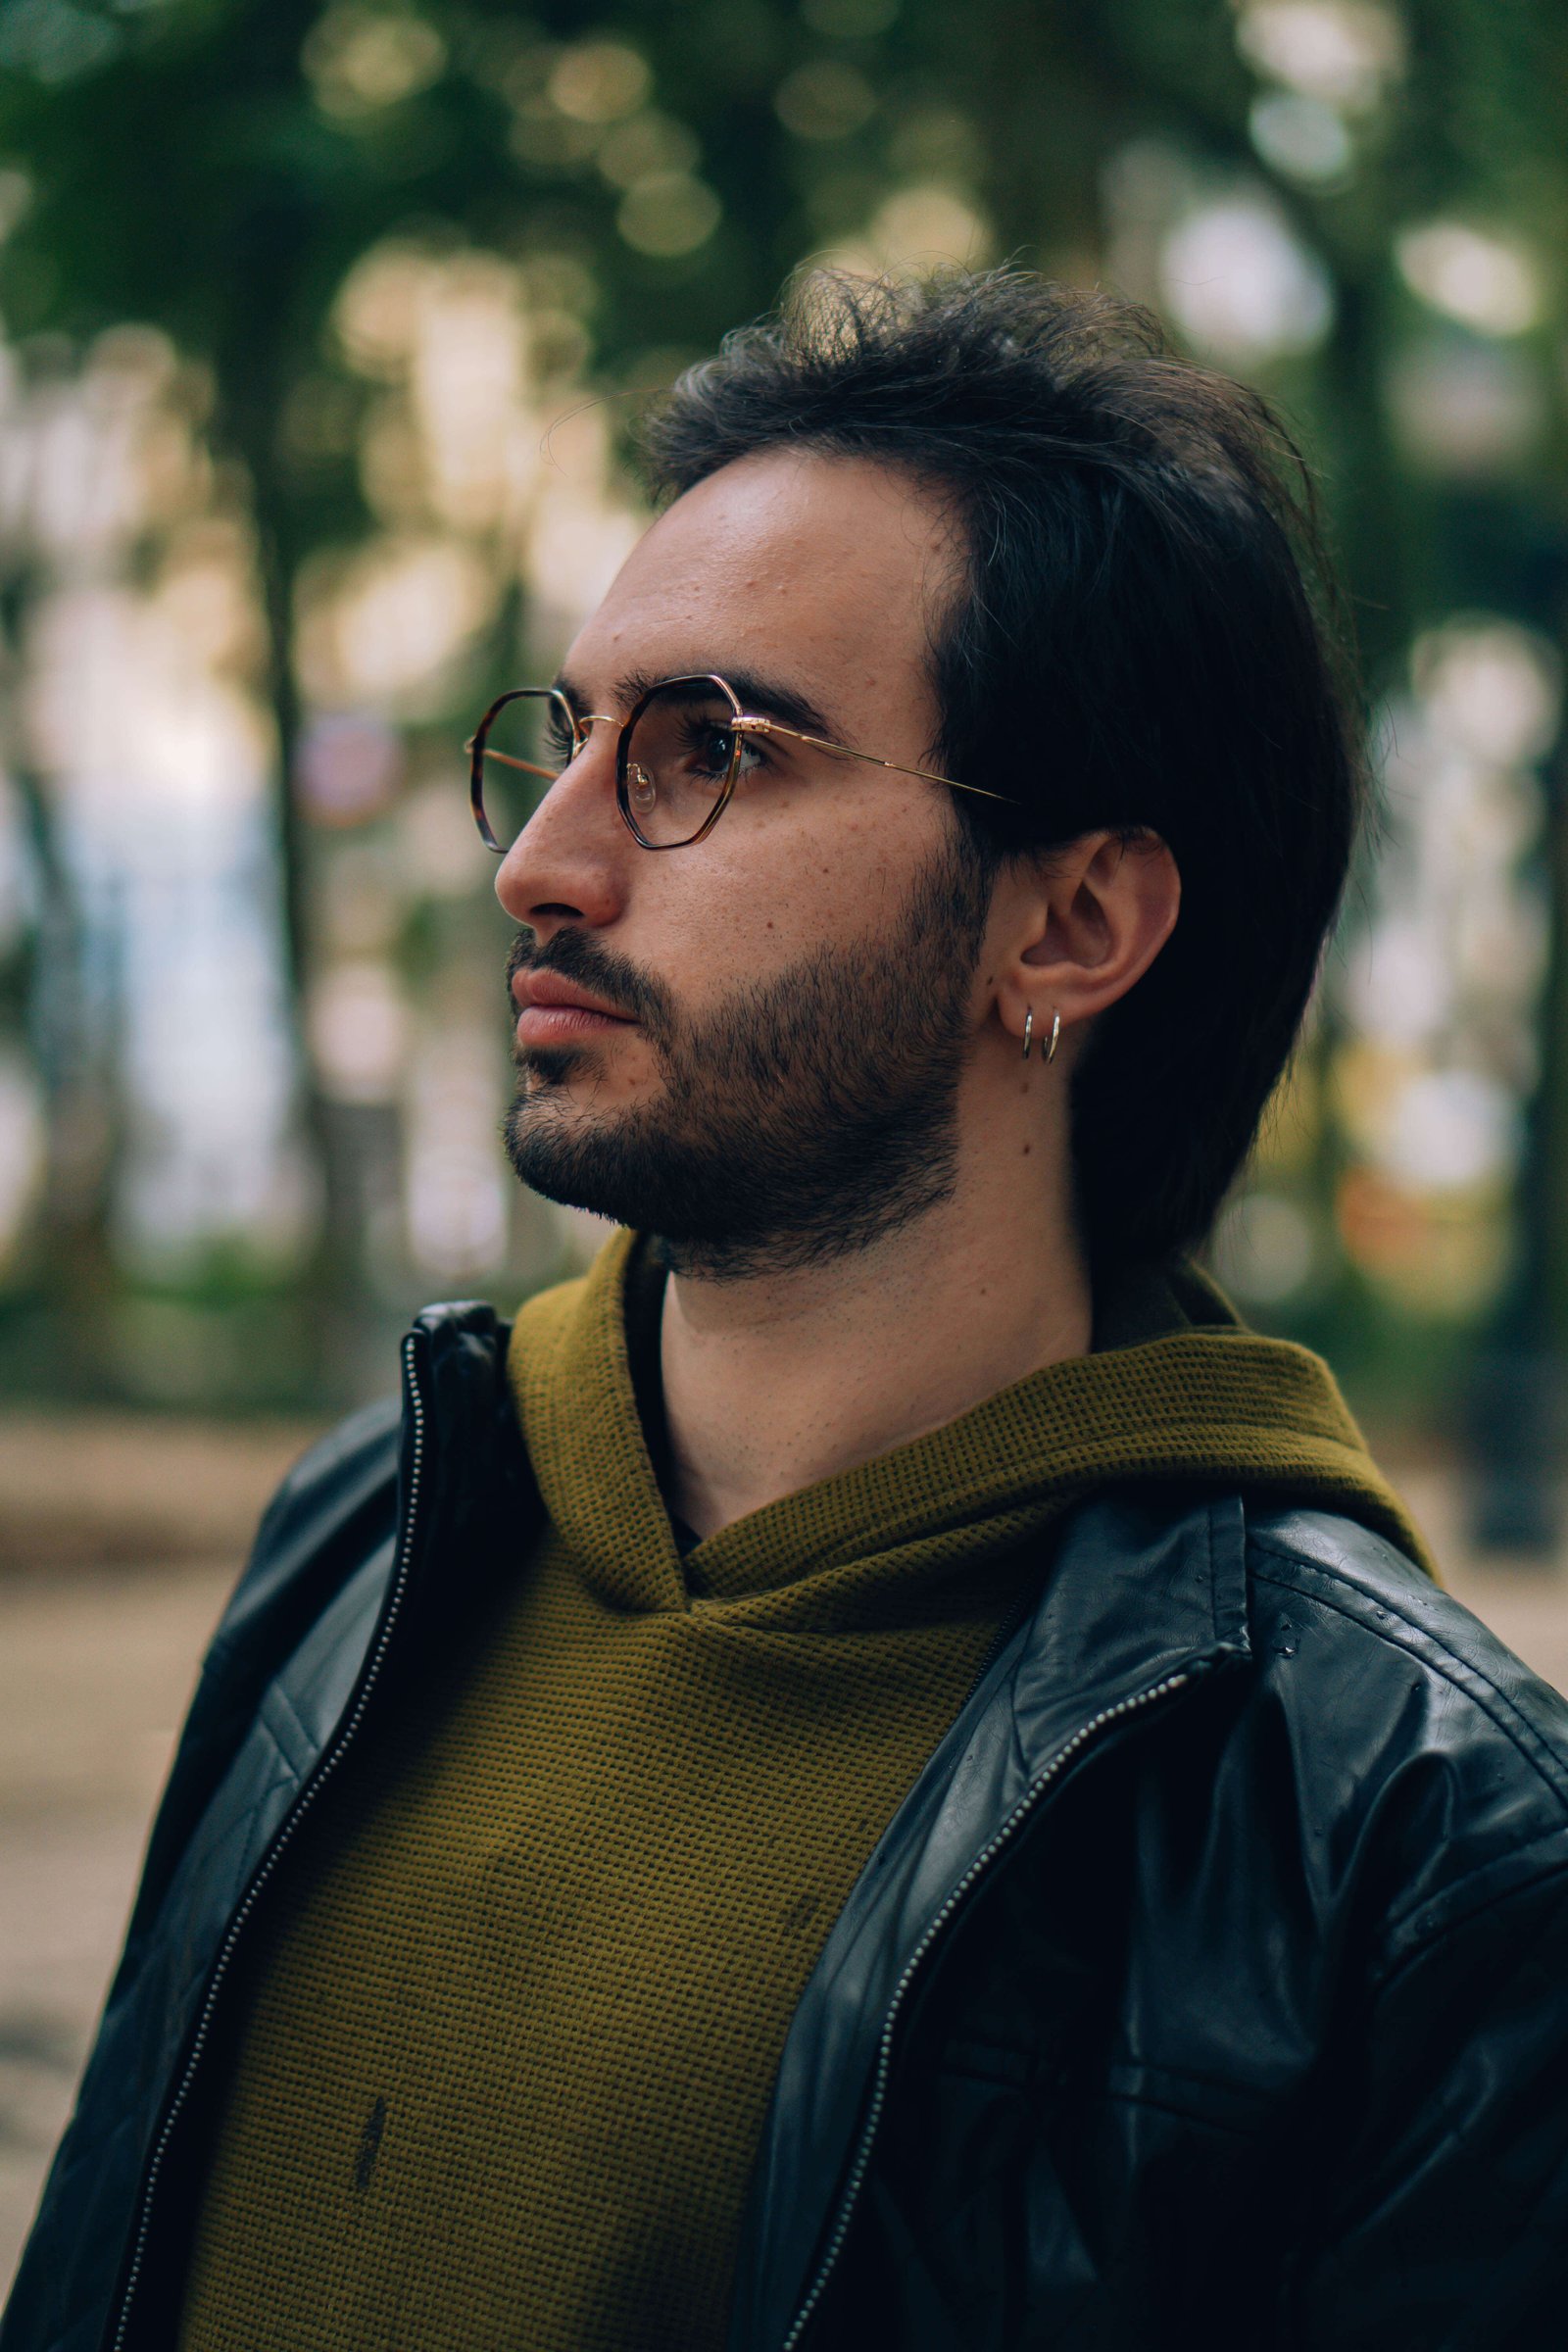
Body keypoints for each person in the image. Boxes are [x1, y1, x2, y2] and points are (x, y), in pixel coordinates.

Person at [8, 269, 1568, 2352]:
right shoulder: (378, 1521)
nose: (540, 864)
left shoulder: (1409, 1843)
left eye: (705, 753)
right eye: (566, 739)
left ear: (1074, 921)